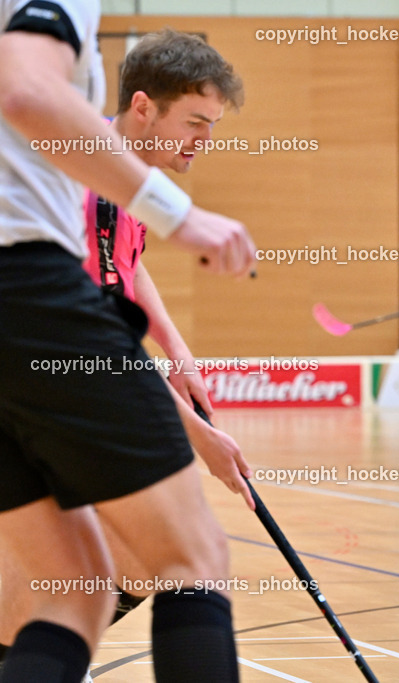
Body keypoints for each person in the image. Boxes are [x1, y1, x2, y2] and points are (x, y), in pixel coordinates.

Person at [0, 3, 256, 681]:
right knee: (187, 558)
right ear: (143, 108)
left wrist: (175, 346)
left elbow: (127, 270)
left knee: (61, 595)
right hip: (21, 289)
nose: (203, 138)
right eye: (195, 122)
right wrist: (186, 218)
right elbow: (27, 90)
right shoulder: (96, 191)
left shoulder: (119, 198)